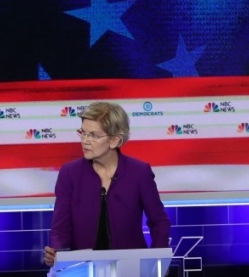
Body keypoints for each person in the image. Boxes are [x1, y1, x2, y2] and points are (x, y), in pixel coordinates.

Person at [44, 101, 170, 266]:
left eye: (93, 135)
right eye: (83, 133)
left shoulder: (139, 172)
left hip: (129, 270)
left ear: (114, 140)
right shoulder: (70, 173)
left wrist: (156, 262)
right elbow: (61, 227)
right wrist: (58, 252)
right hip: (81, 271)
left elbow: (158, 221)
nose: (85, 141)